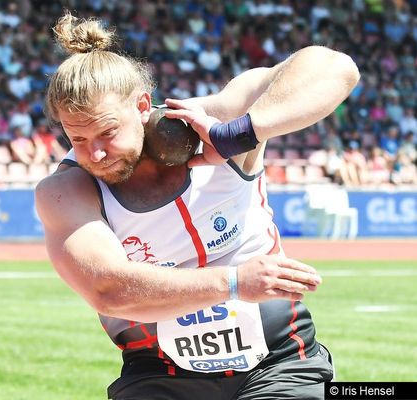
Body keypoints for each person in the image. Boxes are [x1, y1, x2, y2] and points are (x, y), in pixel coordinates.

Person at [35, 13, 359, 400]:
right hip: (157, 375)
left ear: (142, 105)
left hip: (281, 363)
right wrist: (237, 282)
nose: (97, 152)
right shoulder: (66, 190)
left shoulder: (215, 119)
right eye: (78, 137)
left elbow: (336, 67)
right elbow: (110, 290)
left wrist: (239, 134)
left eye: (108, 132)